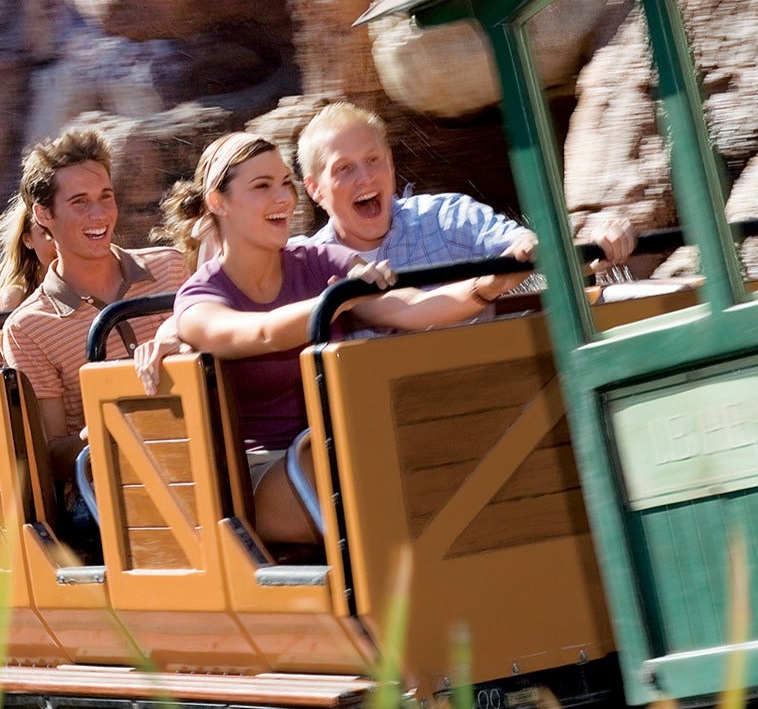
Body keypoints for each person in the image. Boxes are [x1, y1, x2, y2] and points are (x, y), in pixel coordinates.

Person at [162, 131, 528, 547]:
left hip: (343, 448)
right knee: (360, 463)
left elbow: (408, 308)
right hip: (263, 474)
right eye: (262, 187)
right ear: (218, 201)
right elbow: (259, 334)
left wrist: (488, 285)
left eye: (286, 183)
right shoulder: (201, 295)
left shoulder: (320, 262)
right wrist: (333, 301)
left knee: (411, 435)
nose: (283, 198)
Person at [1, 130, 188, 544]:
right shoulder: (28, 327)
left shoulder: (172, 270)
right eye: (79, 202)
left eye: (105, 196)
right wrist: (107, 425)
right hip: (104, 485)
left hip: (192, 452)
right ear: (44, 216)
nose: (99, 213)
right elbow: (52, 453)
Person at [0, 194, 58, 314]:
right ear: (28, 240)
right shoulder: (16, 298)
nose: (59, 242)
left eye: (64, 231)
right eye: (47, 234)